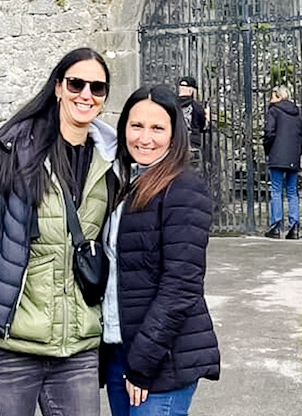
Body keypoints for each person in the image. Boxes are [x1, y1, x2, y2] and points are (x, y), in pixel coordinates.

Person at [0, 47, 118, 416]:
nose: (86, 94)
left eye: (97, 88)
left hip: (77, 350)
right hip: (9, 347)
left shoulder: (111, 162)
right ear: (58, 87)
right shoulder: (10, 148)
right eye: (76, 83)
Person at [102, 84, 220, 416]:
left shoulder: (183, 188)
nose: (145, 138)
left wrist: (143, 362)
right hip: (119, 349)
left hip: (161, 358)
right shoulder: (123, 183)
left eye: (157, 128)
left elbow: (181, 285)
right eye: (136, 126)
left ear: (174, 134)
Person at [263, 85, 302, 240]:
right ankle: (294, 227)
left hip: (277, 154)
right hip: (293, 156)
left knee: (276, 190)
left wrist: (268, 148)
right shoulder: (298, 113)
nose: (270, 98)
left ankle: (276, 227)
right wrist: (298, 152)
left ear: (278, 96)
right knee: (292, 191)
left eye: (272, 95)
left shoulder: (273, 111)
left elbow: (269, 132)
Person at [176, 76, 208, 172]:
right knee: (192, 172)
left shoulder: (171, 106)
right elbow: (203, 127)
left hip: (175, 143)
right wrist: (207, 117)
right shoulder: (197, 108)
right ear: (191, 90)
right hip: (192, 144)